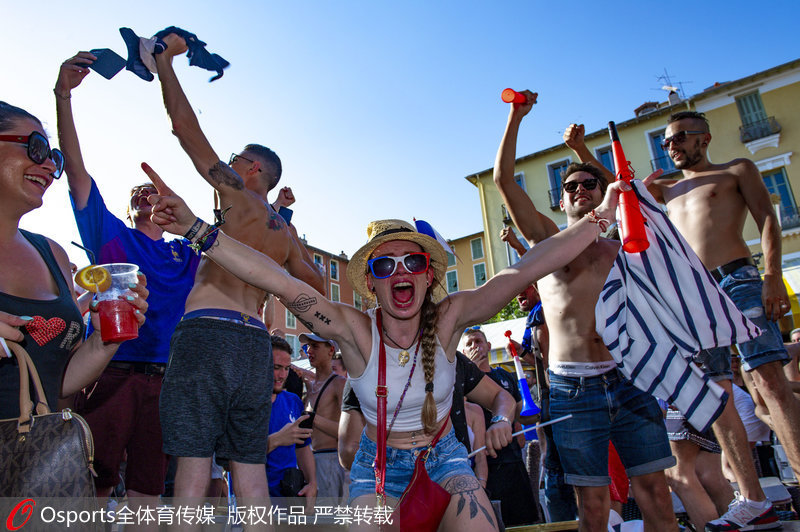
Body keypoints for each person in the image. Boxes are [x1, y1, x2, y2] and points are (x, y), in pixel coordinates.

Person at [142, 159, 629, 531]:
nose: (399, 271)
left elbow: (529, 267)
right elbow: (280, 281)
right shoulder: (354, 331)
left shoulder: (452, 317)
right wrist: (197, 231)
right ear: (371, 285)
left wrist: (600, 217)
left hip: (447, 460)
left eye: (411, 261)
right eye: (383, 265)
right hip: (378, 472)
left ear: (429, 275)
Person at [566, 113, 788, 531]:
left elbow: (768, 219)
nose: (671, 147)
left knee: (769, 383)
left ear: (704, 137)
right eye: (667, 142)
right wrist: (581, 152)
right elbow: (621, 185)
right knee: (719, 393)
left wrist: (772, 275)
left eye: (679, 138)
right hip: (696, 295)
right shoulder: (664, 186)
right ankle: (754, 499)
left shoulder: (736, 169)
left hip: (737, 275)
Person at [151, 32, 326, 503]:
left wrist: (163, 66)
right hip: (253, 342)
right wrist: (285, 230)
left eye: (233, 160)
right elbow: (314, 283)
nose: (226, 164)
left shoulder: (236, 194)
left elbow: (186, 133)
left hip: (208, 330)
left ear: (250, 169)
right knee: (249, 468)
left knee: (193, 465)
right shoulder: (285, 234)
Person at [495, 92, 677, 532]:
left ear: (603, 192)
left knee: (655, 494)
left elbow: (631, 194)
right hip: (573, 384)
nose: (580, 189)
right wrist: (516, 117)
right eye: (570, 187)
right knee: (592, 507)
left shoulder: (626, 247)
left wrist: (591, 160)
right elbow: (503, 180)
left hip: (631, 377)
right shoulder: (549, 243)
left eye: (589, 184)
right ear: (561, 203)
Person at [54, 51, 201, 506]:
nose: (146, 192)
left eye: (155, 190)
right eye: (138, 190)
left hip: (166, 384)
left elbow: (238, 242)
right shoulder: (111, 238)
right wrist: (63, 96)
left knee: (147, 491)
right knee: (91, 485)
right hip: (109, 375)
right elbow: (76, 172)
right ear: (129, 205)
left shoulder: (187, 254)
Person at [0, 100, 148, 421]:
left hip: (31, 461)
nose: (51, 168)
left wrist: (104, 341)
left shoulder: (52, 254)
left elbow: (60, 381)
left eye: (54, 158)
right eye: (36, 148)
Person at [462, 327, 539, 526]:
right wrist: (471, 369)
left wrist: (540, 412)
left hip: (513, 462)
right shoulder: (461, 381)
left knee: (524, 522)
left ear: (488, 346)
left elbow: (523, 414)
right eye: (469, 344)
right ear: (463, 353)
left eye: (478, 341)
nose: (475, 347)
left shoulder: (505, 376)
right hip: (483, 467)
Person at [267, 335, 317, 513]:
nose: (282, 375)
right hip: (254, 500)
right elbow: (234, 458)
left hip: (290, 499)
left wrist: (312, 483)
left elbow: (303, 447)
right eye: (276, 368)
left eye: (287, 369)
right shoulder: (243, 404)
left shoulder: (293, 401)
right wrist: (277, 439)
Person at [300, 332, 347, 503]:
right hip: (309, 462)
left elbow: (347, 432)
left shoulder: (339, 384)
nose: (309, 350)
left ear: (331, 350)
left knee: (327, 522)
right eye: (308, 346)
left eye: (315, 346)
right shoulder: (309, 386)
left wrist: (313, 418)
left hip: (330, 460)